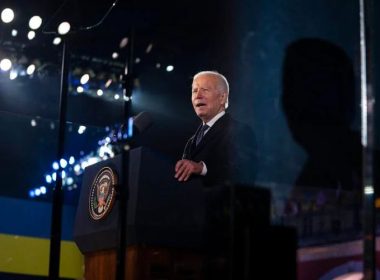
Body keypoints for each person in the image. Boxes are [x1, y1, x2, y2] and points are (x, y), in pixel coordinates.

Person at [174, 71, 256, 186]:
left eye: (205, 90)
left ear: (222, 98)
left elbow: (243, 174)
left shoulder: (239, 131)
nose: (198, 96)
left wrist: (202, 168)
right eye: (194, 91)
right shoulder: (191, 142)